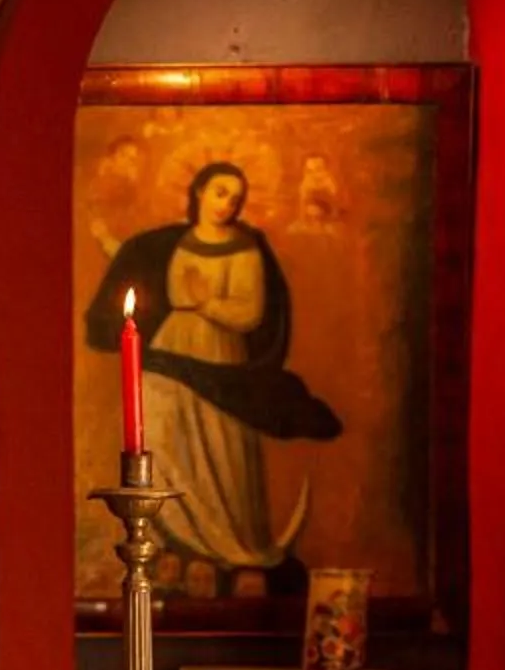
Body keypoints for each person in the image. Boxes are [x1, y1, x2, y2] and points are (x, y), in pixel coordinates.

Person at [86, 162, 340, 587]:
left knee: (218, 447)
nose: (228, 203)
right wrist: (108, 242)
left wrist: (208, 303)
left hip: (219, 354)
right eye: (221, 192)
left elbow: (250, 313)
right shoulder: (172, 243)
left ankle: (230, 548)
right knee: (165, 440)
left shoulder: (245, 249)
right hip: (170, 349)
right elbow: (138, 266)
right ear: (200, 192)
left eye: (237, 198)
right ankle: (176, 542)